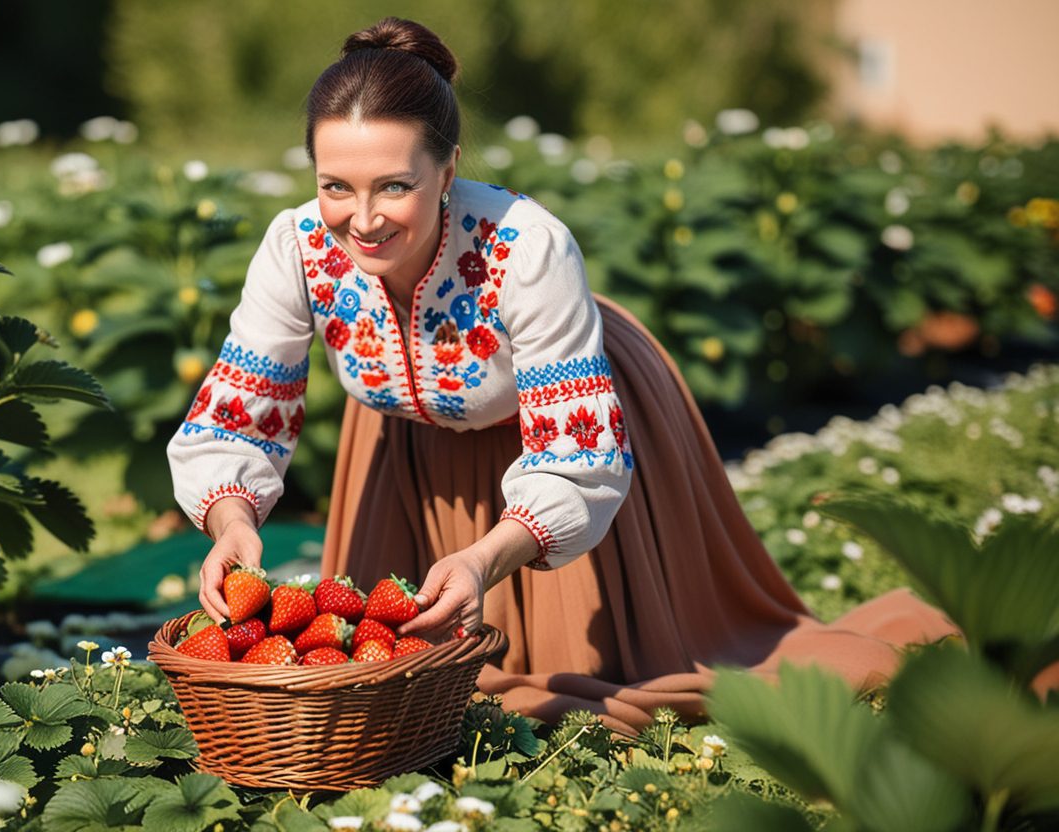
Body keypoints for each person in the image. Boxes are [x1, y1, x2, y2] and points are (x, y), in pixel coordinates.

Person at [167, 17, 958, 735]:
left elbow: (573, 457)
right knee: (393, 674)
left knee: (578, 678)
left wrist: (484, 558)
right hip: (404, 441)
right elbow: (242, 407)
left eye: (395, 185)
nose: (362, 218)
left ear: (448, 171)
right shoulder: (296, 244)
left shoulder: (525, 244)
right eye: (336, 184)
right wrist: (233, 520)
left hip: (560, 416)